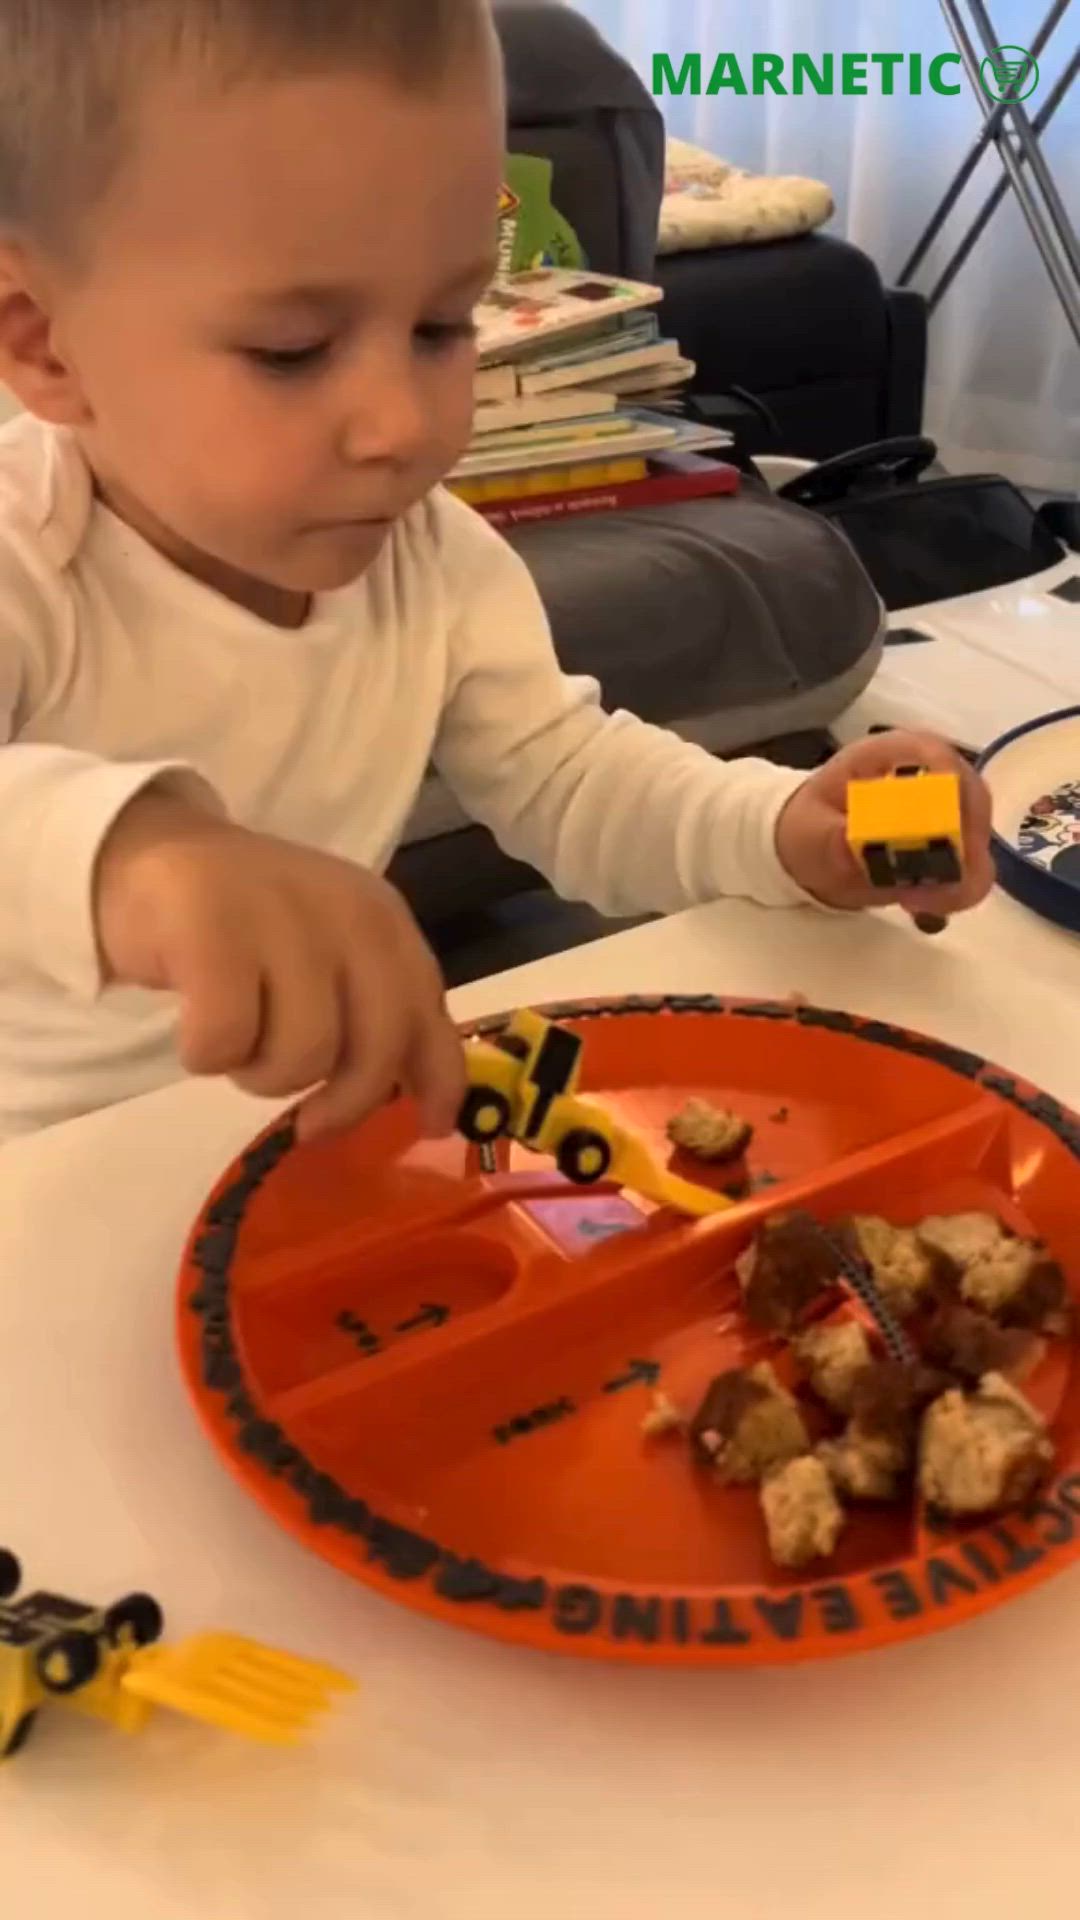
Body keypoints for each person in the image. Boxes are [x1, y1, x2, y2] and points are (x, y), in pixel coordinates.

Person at [0, 0, 993, 1146]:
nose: (401, 425)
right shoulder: (32, 555)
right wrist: (136, 852)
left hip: (303, 1140)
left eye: (442, 327)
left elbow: (569, 779)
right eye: (292, 351)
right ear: (44, 342)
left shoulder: (430, 556)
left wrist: (781, 829)